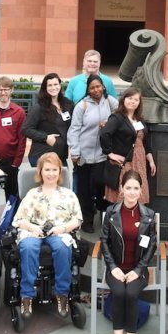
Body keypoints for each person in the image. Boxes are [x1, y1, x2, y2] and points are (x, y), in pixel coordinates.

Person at [100, 171, 158, 334]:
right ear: (122, 189)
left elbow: (152, 246)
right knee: (119, 293)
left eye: (136, 188)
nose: (132, 192)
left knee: (131, 293)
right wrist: (113, 267)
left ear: (141, 191)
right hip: (115, 269)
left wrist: (138, 270)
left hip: (137, 271)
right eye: (128, 188)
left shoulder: (148, 216)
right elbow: (104, 242)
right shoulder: (111, 212)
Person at [12, 152, 82, 319]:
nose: (51, 174)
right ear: (40, 172)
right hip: (33, 230)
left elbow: (78, 219)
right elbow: (18, 219)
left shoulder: (68, 194)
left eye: (54, 170)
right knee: (29, 246)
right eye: (47, 169)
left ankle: (62, 294)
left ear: (60, 172)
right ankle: (27, 295)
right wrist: (32, 228)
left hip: (59, 231)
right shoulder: (32, 194)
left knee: (62, 247)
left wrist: (63, 228)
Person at [67, 74, 118, 232]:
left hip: (103, 154)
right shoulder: (82, 106)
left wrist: (109, 124)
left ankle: (103, 215)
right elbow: (74, 130)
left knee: (100, 184)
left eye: (98, 86)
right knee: (84, 189)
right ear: (88, 90)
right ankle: (87, 220)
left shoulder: (111, 102)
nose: (96, 90)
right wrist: (75, 152)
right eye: (92, 88)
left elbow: (121, 119)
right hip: (84, 154)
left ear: (103, 86)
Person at [100, 87, 157, 205]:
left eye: (136, 99)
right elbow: (105, 134)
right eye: (130, 98)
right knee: (124, 190)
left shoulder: (140, 120)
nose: (133, 101)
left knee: (138, 189)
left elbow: (146, 142)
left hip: (140, 161)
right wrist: (110, 154)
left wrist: (151, 161)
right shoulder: (117, 118)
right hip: (125, 161)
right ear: (123, 99)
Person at [23, 73, 74, 166]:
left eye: (55, 84)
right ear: (45, 88)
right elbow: (26, 129)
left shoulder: (67, 104)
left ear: (60, 85)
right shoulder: (39, 108)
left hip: (60, 155)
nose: (53, 87)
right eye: (49, 85)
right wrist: (46, 137)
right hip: (42, 155)